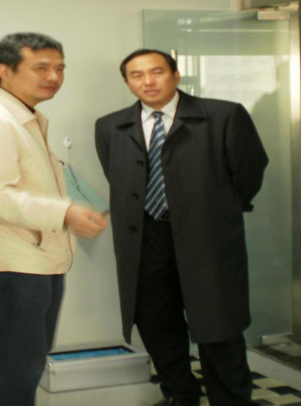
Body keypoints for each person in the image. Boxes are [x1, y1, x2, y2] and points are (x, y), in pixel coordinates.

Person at [95, 49, 268, 406]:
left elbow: (249, 171)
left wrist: (218, 210)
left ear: (176, 75)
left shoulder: (223, 115)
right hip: (145, 238)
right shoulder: (111, 126)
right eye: (137, 75)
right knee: (157, 322)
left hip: (207, 236)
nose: (148, 81)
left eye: (157, 72)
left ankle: (231, 400)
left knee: (217, 323)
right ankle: (179, 394)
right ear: (127, 83)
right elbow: (120, 178)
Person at [0, 33, 107, 406]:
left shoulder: (23, 117)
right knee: (12, 372)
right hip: (13, 267)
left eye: (59, 68)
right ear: (4, 71)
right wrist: (64, 212)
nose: (53, 76)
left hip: (34, 261)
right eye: (41, 67)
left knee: (24, 368)